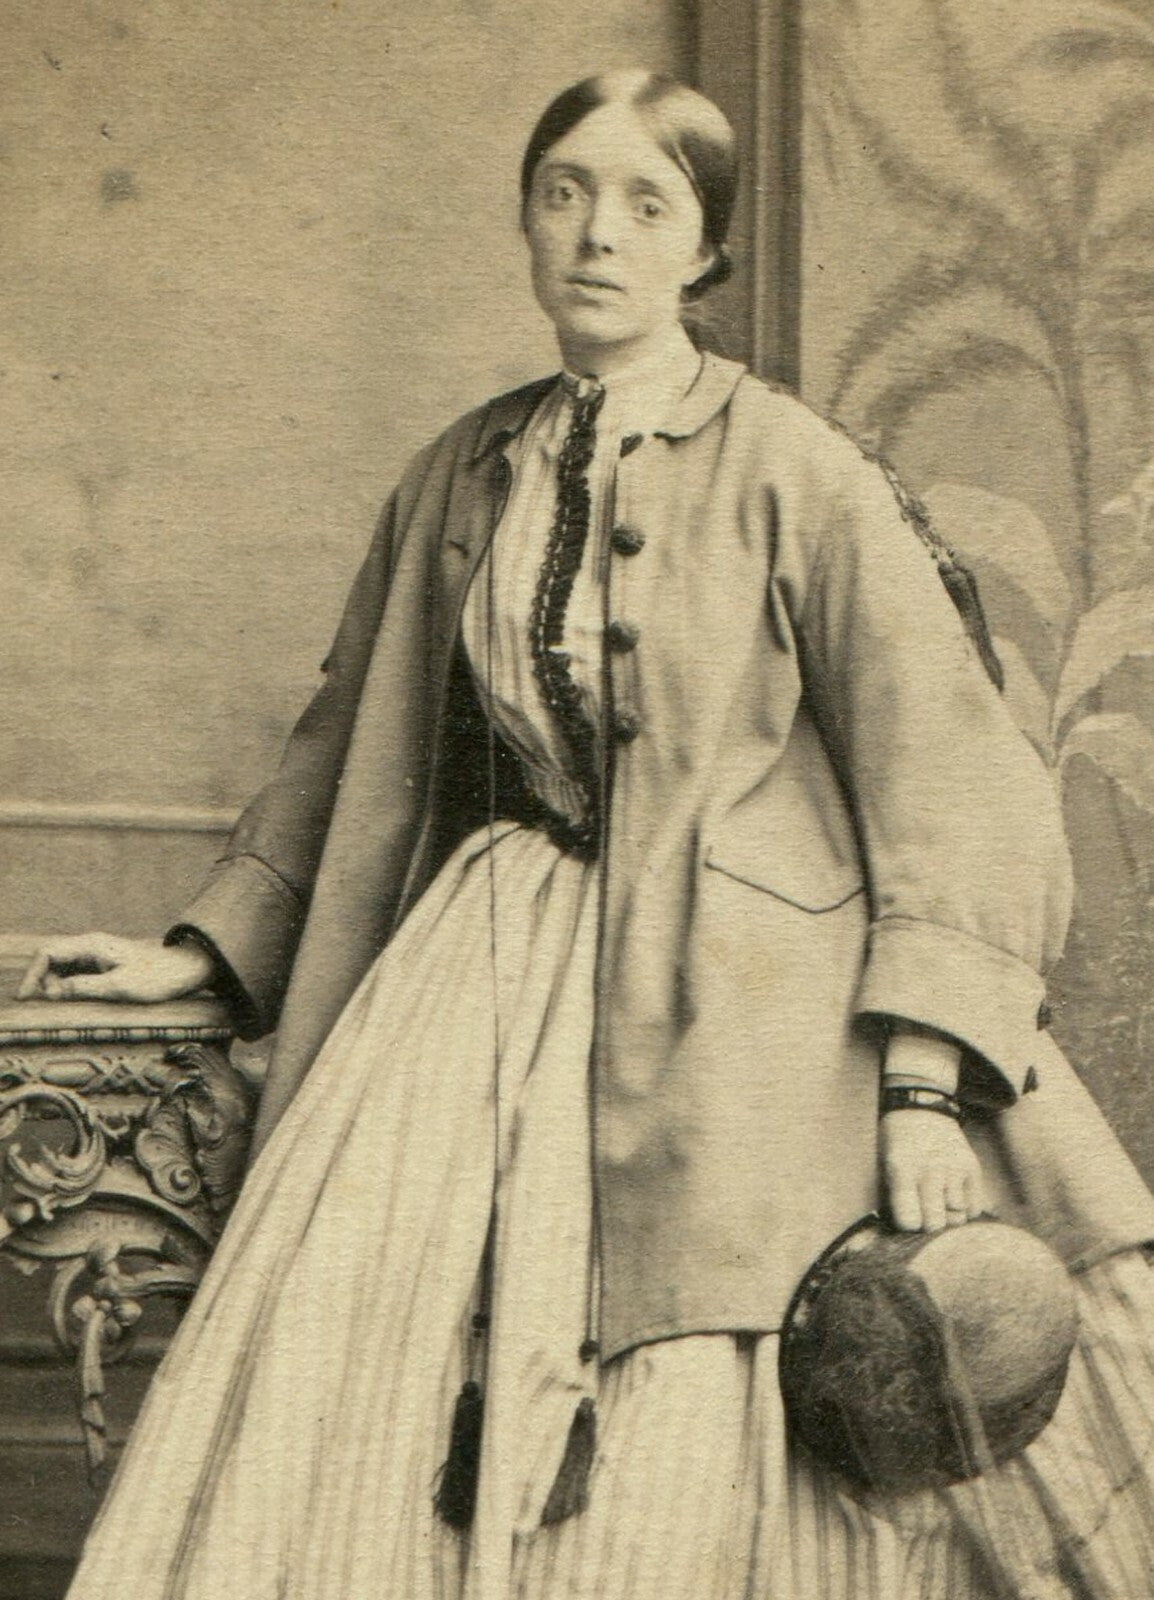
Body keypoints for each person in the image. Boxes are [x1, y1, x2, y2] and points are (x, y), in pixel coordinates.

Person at [21, 69, 1154, 1600]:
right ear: (525, 224)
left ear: (701, 250)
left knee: (712, 1399)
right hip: (485, 971)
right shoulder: (460, 472)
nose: (596, 236)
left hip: (751, 1010)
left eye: (644, 203)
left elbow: (949, 781)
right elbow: (351, 731)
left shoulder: (797, 475)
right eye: (563, 194)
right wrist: (207, 946)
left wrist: (917, 1090)